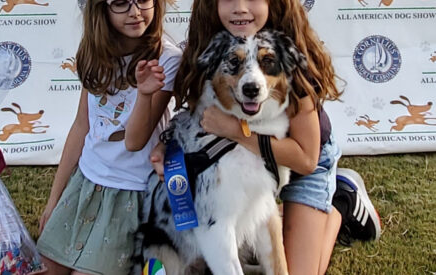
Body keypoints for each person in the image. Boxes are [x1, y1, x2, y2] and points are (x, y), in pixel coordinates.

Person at [149, 0, 381, 274]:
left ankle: (342, 201)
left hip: (303, 158)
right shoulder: (208, 47)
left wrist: (237, 131)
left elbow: (306, 159)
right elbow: (194, 112)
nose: (240, 8)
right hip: (245, 158)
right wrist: (169, 143)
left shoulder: (289, 54)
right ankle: (286, 217)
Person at [36, 0, 181, 274]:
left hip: (130, 194)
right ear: (100, 9)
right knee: (45, 267)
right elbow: (81, 126)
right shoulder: (93, 53)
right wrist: (54, 200)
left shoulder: (166, 59)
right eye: (120, 3)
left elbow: (135, 141)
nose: (135, 11)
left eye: (143, 0)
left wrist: (145, 93)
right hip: (85, 185)